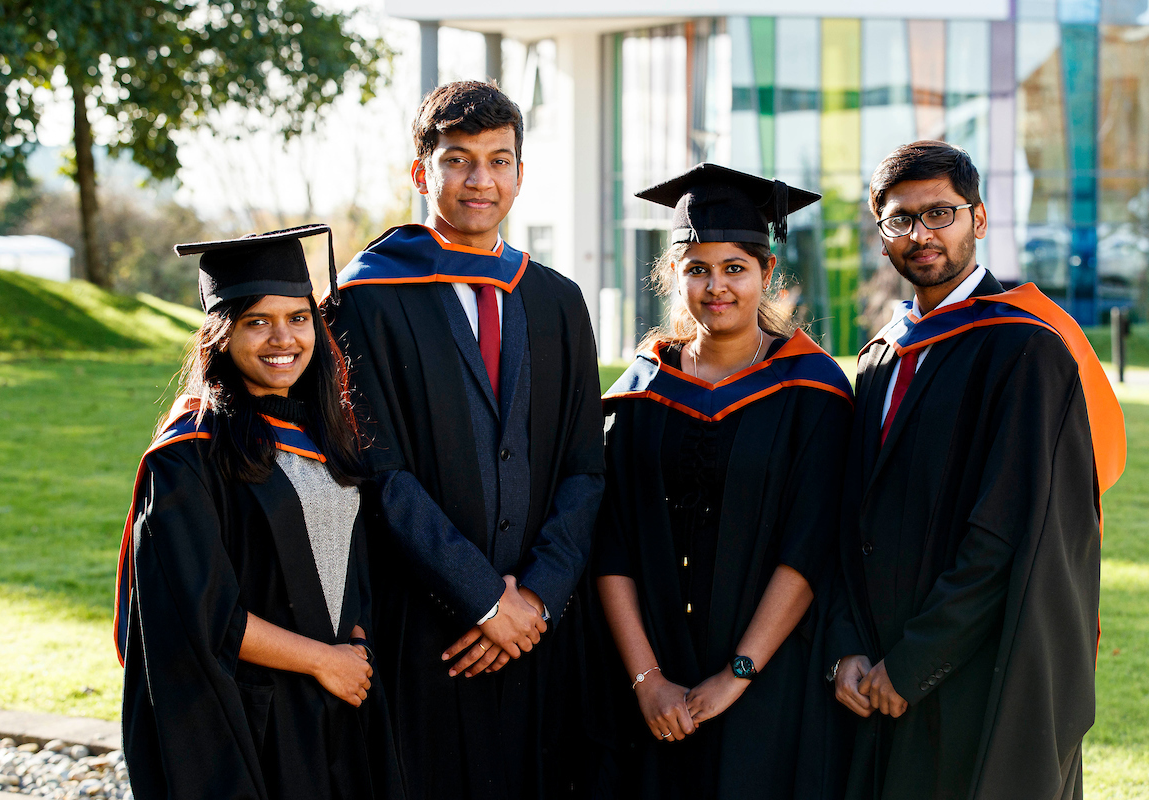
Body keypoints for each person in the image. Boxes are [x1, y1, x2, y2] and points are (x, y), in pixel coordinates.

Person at [324, 81, 605, 800]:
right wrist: (486, 601)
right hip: (429, 632)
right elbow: (377, 471)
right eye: (458, 160)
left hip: (541, 634)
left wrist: (536, 599)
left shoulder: (556, 300)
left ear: (519, 170)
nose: (481, 179)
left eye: (499, 160)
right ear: (422, 173)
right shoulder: (366, 300)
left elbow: (583, 466)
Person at [827, 140, 1126, 799]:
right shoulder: (879, 356)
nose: (921, 234)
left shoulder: (1026, 350)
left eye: (941, 214)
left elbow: (1006, 532)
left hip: (977, 676)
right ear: (881, 236)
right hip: (875, 673)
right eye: (900, 219)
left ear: (979, 219)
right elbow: (851, 518)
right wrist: (848, 648)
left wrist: (911, 666)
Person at [594, 163, 854, 799]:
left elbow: (809, 546)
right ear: (674, 276)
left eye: (735, 268)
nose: (717, 287)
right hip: (647, 675)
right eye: (697, 269)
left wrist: (737, 674)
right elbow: (611, 542)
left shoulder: (812, 393)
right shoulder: (641, 392)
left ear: (767, 274)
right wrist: (647, 679)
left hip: (769, 678)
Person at [115, 225, 398, 800]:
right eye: (257, 321)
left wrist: (356, 641)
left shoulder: (322, 429)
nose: (283, 338)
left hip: (339, 697)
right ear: (221, 334)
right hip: (254, 713)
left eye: (298, 317)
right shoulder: (189, 451)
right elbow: (196, 611)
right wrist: (323, 660)